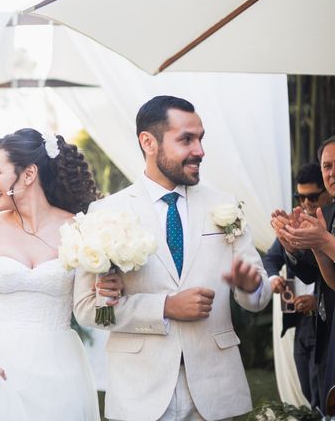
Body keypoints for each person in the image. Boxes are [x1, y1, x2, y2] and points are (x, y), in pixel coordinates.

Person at [74, 96, 272, 421]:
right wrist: (165, 306)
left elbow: (259, 299)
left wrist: (251, 288)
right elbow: (87, 309)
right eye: (186, 140)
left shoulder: (225, 206)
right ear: (148, 142)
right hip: (140, 393)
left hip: (216, 390)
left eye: (201, 138)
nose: (200, 151)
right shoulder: (106, 215)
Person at [0, 128, 122, 421]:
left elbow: (92, 303)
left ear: (28, 175)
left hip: (59, 367)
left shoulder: (80, 228)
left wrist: (106, 291)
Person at [264, 162, 329, 408]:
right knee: (306, 387)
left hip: (323, 320)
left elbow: (319, 272)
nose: (306, 203)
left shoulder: (329, 224)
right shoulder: (294, 223)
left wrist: (317, 299)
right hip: (299, 321)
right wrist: (274, 278)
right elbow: (271, 257)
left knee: (321, 390)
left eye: (312, 197)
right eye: (300, 197)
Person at [277, 136, 335, 410]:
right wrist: (294, 245)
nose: (332, 172)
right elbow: (326, 278)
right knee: (319, 403)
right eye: (327, 166)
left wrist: (320, 242)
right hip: (325, 326)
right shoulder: (329, 212)